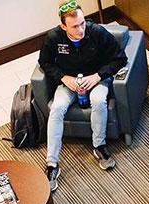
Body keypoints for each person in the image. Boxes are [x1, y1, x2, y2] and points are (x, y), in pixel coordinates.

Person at [38, 0, 128, 191]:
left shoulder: (97, 32)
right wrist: (63, 78)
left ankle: (99, 146)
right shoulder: (54, 38)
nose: (81, 29)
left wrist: (98, 76)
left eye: (82, 23)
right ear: (64, 26)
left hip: (96, 78)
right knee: (57, 108)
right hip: (70, 82)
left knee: (98, 100)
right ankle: (52, 163)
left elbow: (120, 58)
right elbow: (44, 62)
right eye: (75, 26)